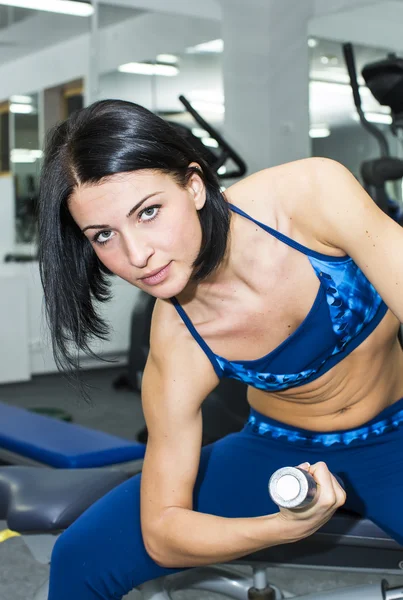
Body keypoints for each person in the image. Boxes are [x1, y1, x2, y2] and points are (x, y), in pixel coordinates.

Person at [37, 98, 403, 600]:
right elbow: (163, 531)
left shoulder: (309, 196)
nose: (136, 256)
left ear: (192, 185)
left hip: (397, 434)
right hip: (279, 451)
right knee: (81, 556)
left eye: (148, 212)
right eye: (104, 235)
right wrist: (282, 527)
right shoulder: (176, 341)